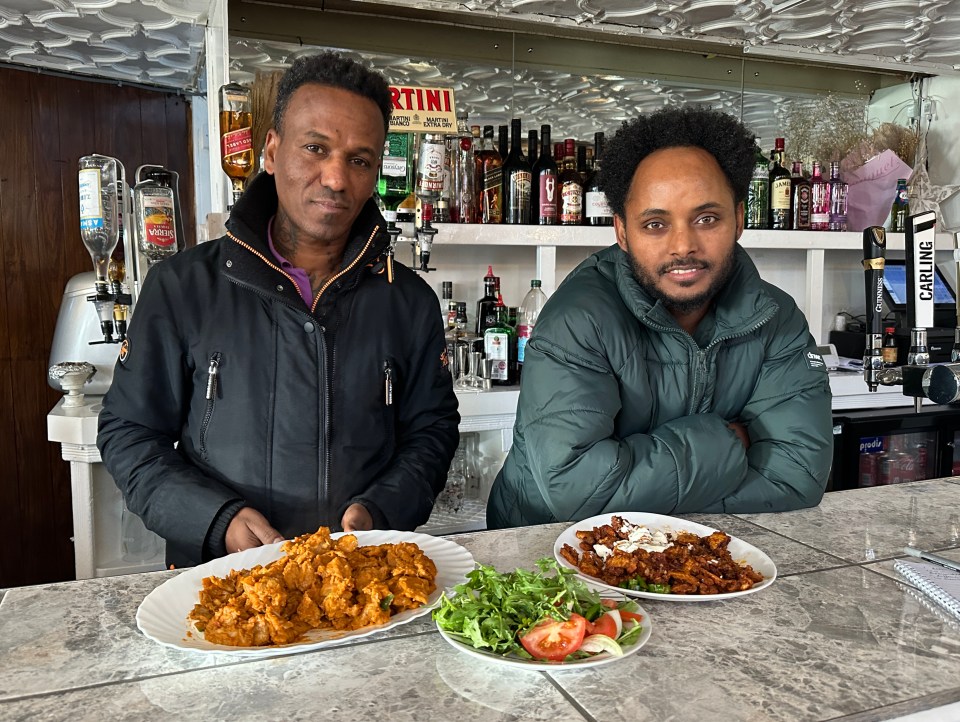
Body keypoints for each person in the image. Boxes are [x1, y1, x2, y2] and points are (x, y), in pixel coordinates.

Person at [98, 52, 460, 567]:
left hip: (359, 579)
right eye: (315, 148)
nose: (335, 178)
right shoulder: (183, 287)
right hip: (220, 582)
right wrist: (216, 519)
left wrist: (383, 510)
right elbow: (129, 432)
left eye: (359, 160)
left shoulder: (408, 301)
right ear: (271, 150)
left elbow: (432, 429)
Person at [487, 106, 833, 529]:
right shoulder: (579, 320)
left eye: (706, 219)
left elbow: (799, 476)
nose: (683, 245)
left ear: (740, 218)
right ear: (621, 231)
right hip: (542, 551)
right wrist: (730, 443)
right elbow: (576, 491)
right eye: (655, 224)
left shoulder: (776, 319)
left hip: (692, 560)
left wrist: (641, 486)